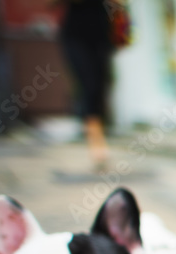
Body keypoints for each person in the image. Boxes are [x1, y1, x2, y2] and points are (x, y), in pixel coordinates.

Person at [55, 0, 116, 171]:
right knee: (89, 85)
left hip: (101, 29)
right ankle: (96, 141)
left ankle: (99, 130)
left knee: (101, 85)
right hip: (76, 33)